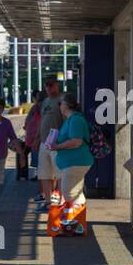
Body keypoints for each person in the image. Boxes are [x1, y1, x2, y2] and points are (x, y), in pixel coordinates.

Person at [48, 91, 94, 227]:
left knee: (69, 193)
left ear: (66, 105)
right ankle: (79, 223)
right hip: (74, 163)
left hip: (76, 162)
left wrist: (57, 146)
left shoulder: (76, 120)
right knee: (75, 193)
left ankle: (76, 222)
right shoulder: (72, 119)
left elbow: (76, 141)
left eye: (60, 103)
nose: (59, 106)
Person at [34, 77, 63, 208]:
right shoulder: (45, 101)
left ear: (57, 85)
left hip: (57, 143)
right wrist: (36, 138)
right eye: (46, 85)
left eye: (51, 85)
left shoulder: (62, 100)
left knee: (59, 174)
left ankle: (61, 201)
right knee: (44, 174)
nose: (49, 88)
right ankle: (47, 201)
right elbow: (42, 121)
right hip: (44, 142)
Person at [23, 89, 43, 180]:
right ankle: (39, 175)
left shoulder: (35, 107)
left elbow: (28, 122)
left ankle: (39, 175)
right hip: (37, 136)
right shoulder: (42, 106)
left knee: (37, 156)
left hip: (35, 137)